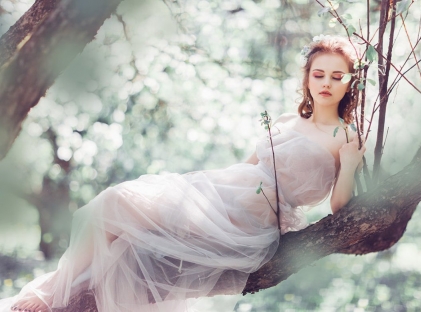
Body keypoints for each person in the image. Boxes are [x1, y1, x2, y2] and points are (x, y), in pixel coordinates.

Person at [1, 35, 365, 312]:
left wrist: (348, 165)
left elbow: (340, 208)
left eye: (337, 76)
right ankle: (57, 291)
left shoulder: (345, 136)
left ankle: (49, 296)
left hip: (257, 221)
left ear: (350, 82)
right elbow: (245, 167)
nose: (326, 83)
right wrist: (194, 190)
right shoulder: (287, 121)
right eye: (319, 74)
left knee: (122, 215)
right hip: (225, 195)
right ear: (307, 78)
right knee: (122, 227)